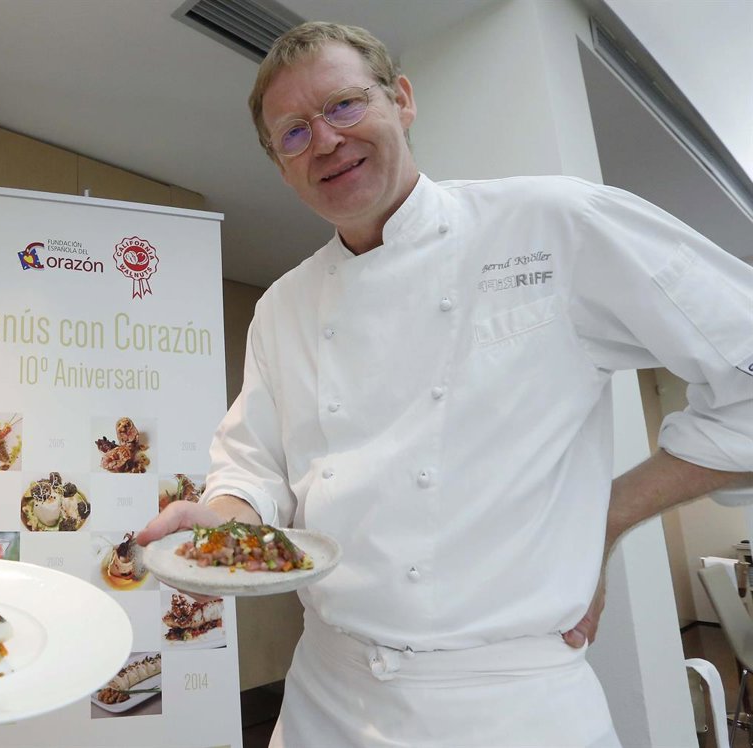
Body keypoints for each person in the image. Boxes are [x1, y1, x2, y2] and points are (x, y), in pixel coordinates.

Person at [137, 21, 753, 747]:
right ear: (281, 166)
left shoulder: (551, 223)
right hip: (325, 696)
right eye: (294, 133)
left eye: (343, 105)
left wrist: (609, 517)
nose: (325, 140)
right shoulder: (282, 307)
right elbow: (252, 463)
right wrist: (226, 523)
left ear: (401, 100)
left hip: (509, 705)